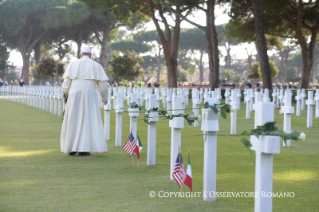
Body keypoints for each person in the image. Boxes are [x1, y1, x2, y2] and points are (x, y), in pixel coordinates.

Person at [60, 46, 109, 156]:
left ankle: (71, 148)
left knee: (73, 118)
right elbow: (102, 86)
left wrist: (65, 96)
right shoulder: (96, 65)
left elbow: (66, 84)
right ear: (91, 55)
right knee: (88, 119)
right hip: (90, 93)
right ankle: (83, 148)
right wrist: (104, 98)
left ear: (81, 54)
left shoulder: (72, 64)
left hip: (74, 93)